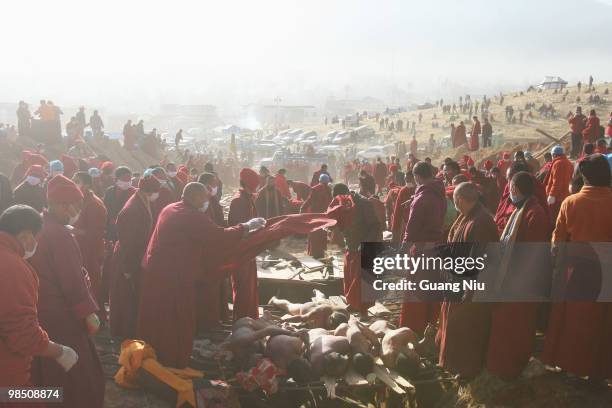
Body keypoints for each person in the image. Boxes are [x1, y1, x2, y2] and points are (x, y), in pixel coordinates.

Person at [137, 182, 266, 368]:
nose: (207, 201)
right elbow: (218, 236)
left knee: (159, 316)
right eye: (205, 197)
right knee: (176, 318)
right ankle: (172, 358)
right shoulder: (189, 215)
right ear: (195, 197)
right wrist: (246, 227)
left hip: (160, 270)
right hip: (172, 276)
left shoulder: (171, 208)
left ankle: (158, 352)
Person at [29, 175, 105, 408]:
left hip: (41, 312)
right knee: (78, 376)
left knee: (44, 372)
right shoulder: (60, 235)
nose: (76, 211)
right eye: (75, 206)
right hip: (63, 318)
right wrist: (88, 313)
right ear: (62, 205)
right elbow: (71, 282)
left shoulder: (41, 225)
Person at [541, 154, 612, 380]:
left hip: (577, 271)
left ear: (584, 175)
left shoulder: (571, 202)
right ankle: (601, 369)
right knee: (603, 321)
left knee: (574, 320)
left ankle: (572, 366)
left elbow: (558, 241)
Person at [0, 205, 79, 391]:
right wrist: (59, 352)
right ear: (26, 236)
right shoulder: (13, 267)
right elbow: (22, 334)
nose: (36, 244)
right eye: (36, 238)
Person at [486, 172, 551, 379]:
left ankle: (511, 366)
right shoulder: (522, 209)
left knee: (517, 326)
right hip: (512, 279)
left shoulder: (535, 213)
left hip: (522, 283)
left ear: (515, 189)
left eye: (511, 187)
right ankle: (502, 366)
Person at [437, 182, 498, 379]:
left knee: (468, 330)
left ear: (461, 200)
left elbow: (481, 260)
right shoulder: (468, 217)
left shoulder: (481, 222)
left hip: (471, 288)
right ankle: (455, 365)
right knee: (455, 326)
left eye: (454, 200)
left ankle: (468, 370)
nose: (453, 203)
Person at [109, 173, 160, 338]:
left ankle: (131, 330)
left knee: (132, 298)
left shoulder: (142, 201)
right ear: (149, 192)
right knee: (125, 298)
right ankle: (123, 333)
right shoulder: (133, 209)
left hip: (135, 255)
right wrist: (128, 267)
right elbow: (128, 241)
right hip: (127, 257)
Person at [399, 162, 446, 334]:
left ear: (417, 177)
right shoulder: (439, 193)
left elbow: (412, 228)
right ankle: (430, 324)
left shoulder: (422, 198)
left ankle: (414, 327)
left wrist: (404, 247)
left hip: (421, 250)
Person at [330, 183, 382, 318]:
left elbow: (376, 225)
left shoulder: (364, 203)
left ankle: (364, 310)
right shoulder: (341, 204)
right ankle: (353, 304)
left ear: (347, 194)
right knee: (349, 277)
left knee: (361, 280)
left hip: (363, 245)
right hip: (351, 245)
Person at [72, 172, 107, 321]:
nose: (73, 183)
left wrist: (72, 230)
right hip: (80, 249)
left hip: (90, 251)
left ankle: (98, 318)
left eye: (77, 181)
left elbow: (95, 233)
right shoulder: (80, 200)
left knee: (92, 285)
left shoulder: (94, 204)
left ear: (86, 185)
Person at [228, 168, 261, 319]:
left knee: (250, 286)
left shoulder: (248, 198)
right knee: (242, 286)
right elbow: (236, 228)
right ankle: (241, 319)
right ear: (249, 184)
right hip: (241, 251)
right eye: (256, 184)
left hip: (250, 250)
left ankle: (250, 316)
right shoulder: (238, 201)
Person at [300, 173, 332, 258]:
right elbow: (331, 201)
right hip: (325, 214)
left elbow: (309, 200)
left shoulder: (315, 189)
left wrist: (302, 208)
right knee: (322, 233)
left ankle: (314, 252)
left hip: (315, 214)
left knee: (314, 233)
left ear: (319, 180)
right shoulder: (328, 189)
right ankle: (320, 252)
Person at [269, 296, 349, 329]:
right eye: (330, 325)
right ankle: (274, 300)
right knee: (289, 306)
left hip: (319, 308)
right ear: (330, 316)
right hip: (306, 309)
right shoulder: (320, 312)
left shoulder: (344, 313)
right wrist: (284, 320)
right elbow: (302, 318)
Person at [545, 145, 574, 221]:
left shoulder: (557, 163)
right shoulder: (569, 163)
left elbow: (557, 181)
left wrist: (552, 195)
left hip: (557, 198)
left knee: (555, 219)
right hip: (566, 195)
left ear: (554, 155)